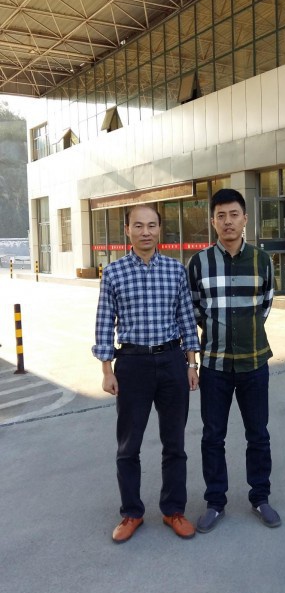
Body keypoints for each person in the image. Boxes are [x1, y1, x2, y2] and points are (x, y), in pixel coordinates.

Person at [92, 204, 200, 543]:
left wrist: (191, 363)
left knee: (175, 442)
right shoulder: (113, 272)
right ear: (128, 230)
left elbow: (186, 318)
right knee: (129, 444)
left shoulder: (175, 270)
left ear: (159, 229)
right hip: (132, 364)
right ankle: (131, 513)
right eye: (138, 226)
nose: (145, 232)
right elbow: (103, 322)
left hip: (171, 361)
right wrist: (107, 370)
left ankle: (173, 510)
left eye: (151, 225)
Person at [188, 188, 281, 533]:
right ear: (213, 221)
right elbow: (195, 309)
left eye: (234, 215)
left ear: (245, 219)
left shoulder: (262, 260)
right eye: (221, 216)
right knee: (213, 437)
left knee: (258, 434)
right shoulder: (198, 263)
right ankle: (215, 502)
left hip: (254, 363)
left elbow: (265, 304)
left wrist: (245, 330)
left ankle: (260, 497)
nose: (228, 222)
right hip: (214, 365)